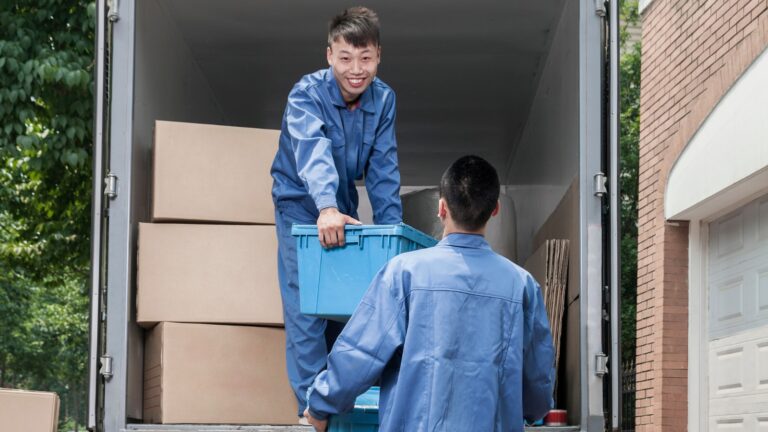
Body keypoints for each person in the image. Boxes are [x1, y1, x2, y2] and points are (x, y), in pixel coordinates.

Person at [304, 155, 555, 431]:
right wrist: (534, 408)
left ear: (441, 208)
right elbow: (537, 384)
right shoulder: (522, 286)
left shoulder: (403, 273)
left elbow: (361, 353)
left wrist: (321, 402)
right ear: (495, 209)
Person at [270, 6, 402, 421]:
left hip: (339, 205)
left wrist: (393, 240)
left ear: (378, 55)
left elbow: (383, 170)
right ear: (329, 55)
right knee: (308, 307)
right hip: (301, 204)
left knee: (348, 309)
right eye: (345, 58)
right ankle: (312, 414)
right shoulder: (305, 94)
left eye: (365, 59)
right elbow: (313, 152)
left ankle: (344, 407)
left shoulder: (383, 100)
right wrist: (325, 207)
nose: (356, 70)